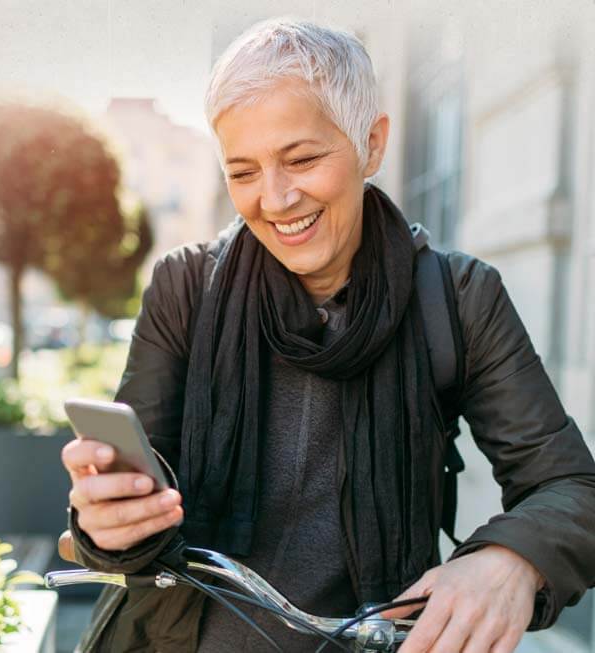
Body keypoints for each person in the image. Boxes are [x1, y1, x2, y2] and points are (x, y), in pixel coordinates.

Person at [59, 16, 595, 653]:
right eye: (244, 171)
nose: (276, 199)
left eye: (302, 159)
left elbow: (570, 487)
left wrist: (511, 560)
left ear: (372, 143)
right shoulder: (184, 288)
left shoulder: (458, 298)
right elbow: (137, 516)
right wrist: (107, 520)